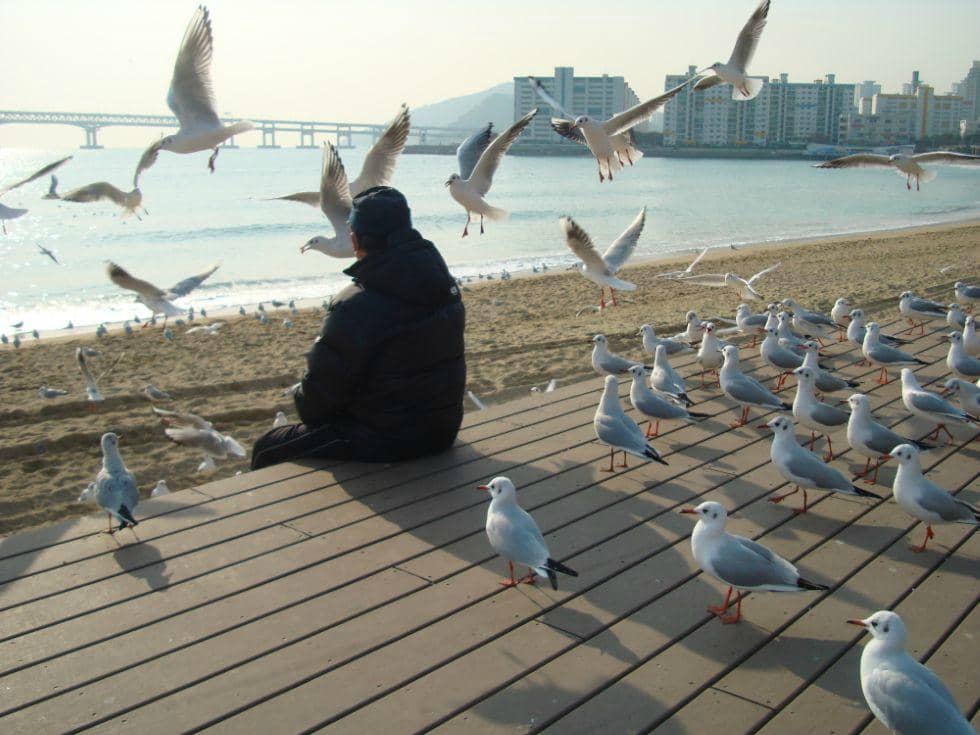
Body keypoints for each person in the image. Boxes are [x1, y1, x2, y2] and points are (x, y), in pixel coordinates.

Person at [251, 186, 466, 469]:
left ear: (354, 240)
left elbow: (313, 406)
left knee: (267, 447)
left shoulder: (355, 305)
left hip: (387, 439)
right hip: (441, 430)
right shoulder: (443, 285)